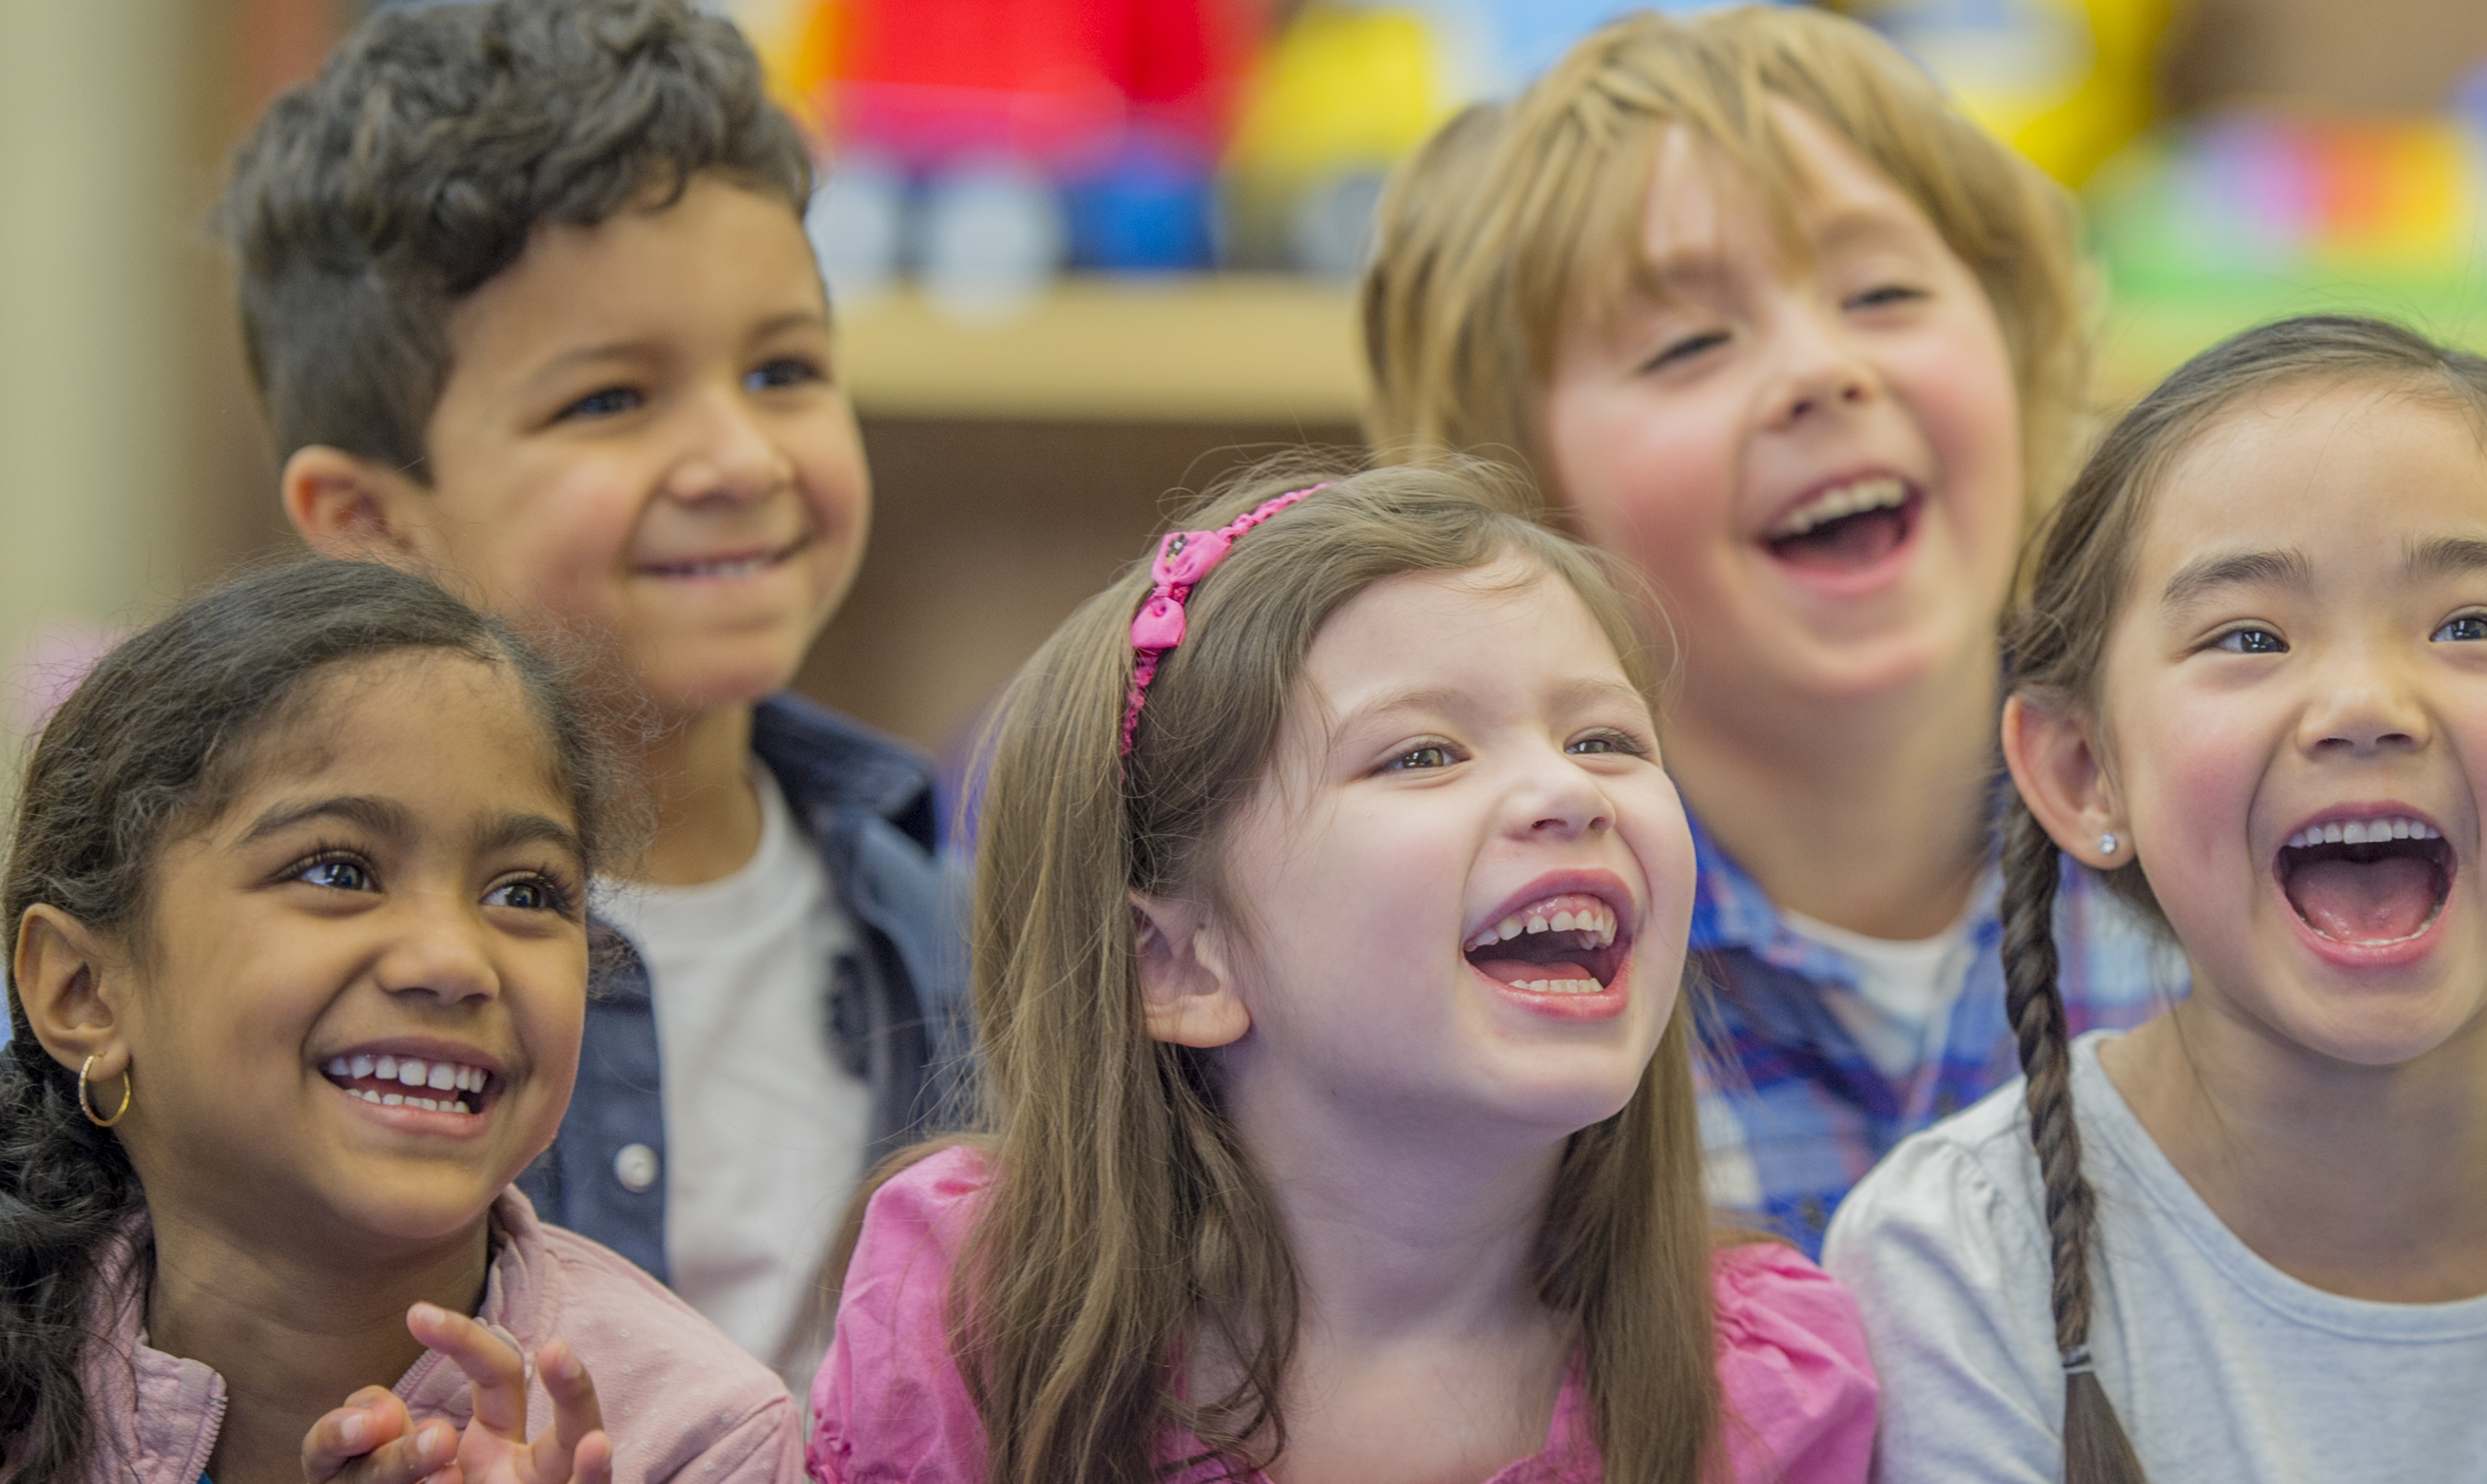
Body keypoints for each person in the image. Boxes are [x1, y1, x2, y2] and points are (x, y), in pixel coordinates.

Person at [1826, 316, 2487, 1483]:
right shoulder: (1960, 1256)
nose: (2365, 701)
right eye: (2248, 635)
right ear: (2083, 773)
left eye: (2469, 624)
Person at [810, 464, 1875, 1484]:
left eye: (1604, 738)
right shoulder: (975, 1317)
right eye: (1422, 754)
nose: (1568, 790)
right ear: (1174, 963)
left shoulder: (1763, 1389)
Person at [218, 0, 967, 1386]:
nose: (740, 455)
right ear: (372, 520)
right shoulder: (264, 969)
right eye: (612, 402)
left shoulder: (969, 931)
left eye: (783, 369)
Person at [1362, 5, 2169, 1250]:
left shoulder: (2201, 850)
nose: (1820, 369)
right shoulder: (1501, 966)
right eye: (1689, 343)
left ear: (2017, 358)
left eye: (1885, 290)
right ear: (1525, 498)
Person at [2, 560, 796, 1484]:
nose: (453, 961)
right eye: (338, 871)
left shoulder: (696, 1435)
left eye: (525, 890)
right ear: (83, 991)